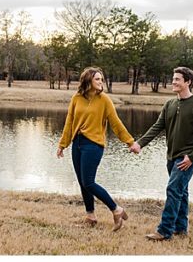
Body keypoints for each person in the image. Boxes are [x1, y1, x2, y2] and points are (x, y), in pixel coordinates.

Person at [129, 67, 193, 241]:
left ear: (188, 82)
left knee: (173, 190)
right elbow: (157, 127)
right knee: (181, 192)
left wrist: (192, 156)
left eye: (177, 79)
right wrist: (140, 143)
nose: (173, 82)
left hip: (187, 158)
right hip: (171, 157)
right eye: (173, 79)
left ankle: (165, 230)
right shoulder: (170, 104)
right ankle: (181, 229)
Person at [56, 67, 136, 231]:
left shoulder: (104, 100)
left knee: (89, 182)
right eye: (97, 79)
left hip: (93, 145)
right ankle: (90, 216)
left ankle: (116, 209)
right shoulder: (77, 98)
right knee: (82, 182)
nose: (101, 82)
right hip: (77, 143)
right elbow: (69, 122)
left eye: (101, 79)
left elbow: (116, 123)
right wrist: (62, 144)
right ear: (88, 81)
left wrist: (130, 142)